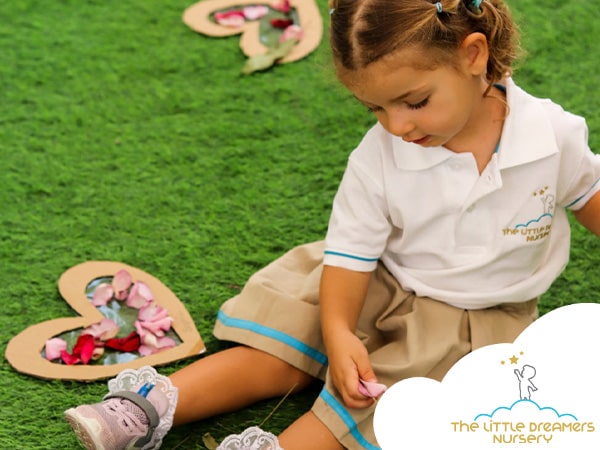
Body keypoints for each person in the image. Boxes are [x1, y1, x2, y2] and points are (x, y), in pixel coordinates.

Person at [64, 0, 600, 449]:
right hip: (370, 281)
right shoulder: (381, 155)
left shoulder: (552, 135)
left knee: (374, 398)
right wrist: (339, 331)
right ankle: (147, 407)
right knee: (283, 354)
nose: (398, 125)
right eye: (375, 109)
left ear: (474, 56)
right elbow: (350, 254)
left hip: (478, 317)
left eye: (414, 102)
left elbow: (589, 195)